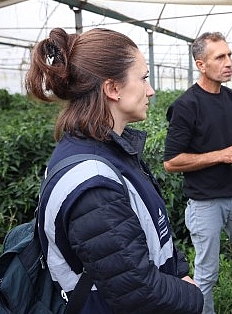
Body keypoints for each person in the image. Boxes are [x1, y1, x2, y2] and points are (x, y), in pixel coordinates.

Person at [24, 27, 203, 314]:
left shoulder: (111, 150)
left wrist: (179, 269)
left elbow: (152, 230)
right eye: (143, 78)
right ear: (112, 89)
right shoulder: (92, 182)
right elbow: (137, 292)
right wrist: (193, 296)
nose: (151, 89)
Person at [163, 31, 232, 314]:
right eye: (220, 57)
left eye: (229, 55)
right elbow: (171, 162)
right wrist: (222, 155)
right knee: (207, 271)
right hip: (205, 202)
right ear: (201, 64)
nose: (229, 62)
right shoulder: (185, 106)